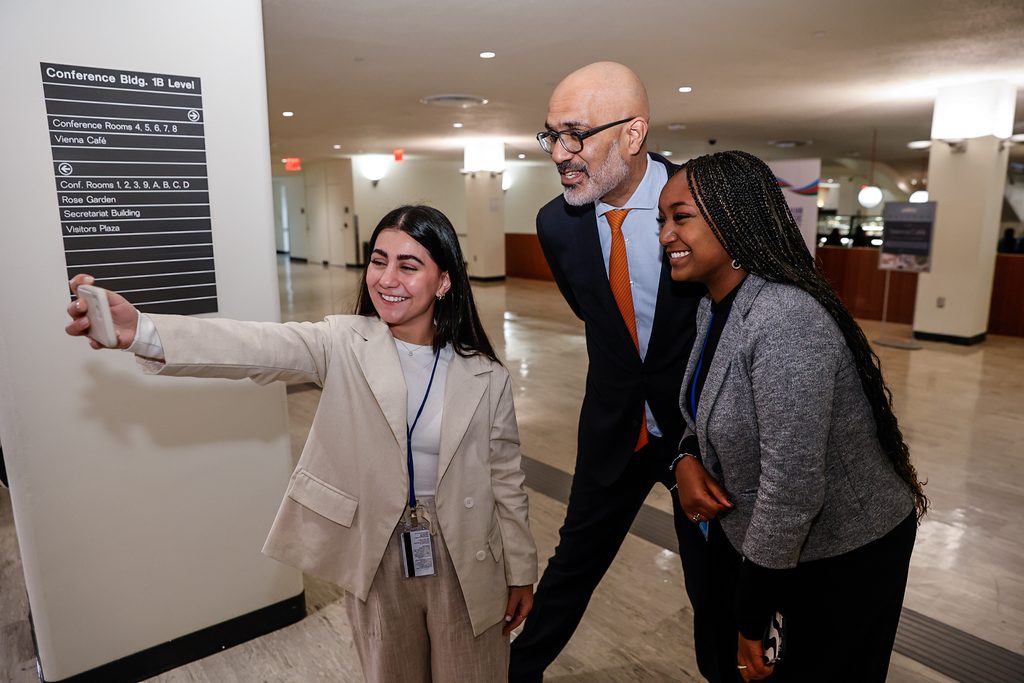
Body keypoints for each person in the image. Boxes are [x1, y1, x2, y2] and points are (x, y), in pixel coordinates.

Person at [65, 205, 538, 683]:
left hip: (468, 551)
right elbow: (250, 345)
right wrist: (141, 331)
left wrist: (520, 569)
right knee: (391, 672)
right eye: (378, 260)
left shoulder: (485, 374)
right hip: (376, 546)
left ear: (444, 281)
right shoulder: (343, 342)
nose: (386, 278)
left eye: (408, 265)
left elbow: (505, 477)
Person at [660, 151, 927, 682]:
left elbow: (792, 487)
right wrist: (685, 458)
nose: (666, 234)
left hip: (845, 552)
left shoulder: (785, 320)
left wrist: (751, 614)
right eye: (661, 220)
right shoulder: (715, 303)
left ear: (733, 218)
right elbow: (704, 412)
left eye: (681, 217)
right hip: (778, 543)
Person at [509, 62, 720, 682]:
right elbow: (601, 322)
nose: (560, 154)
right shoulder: (556, 223)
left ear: (633, 135)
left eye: (576, 133)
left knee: (712, 580)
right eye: (551, 136)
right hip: (614, 429)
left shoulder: (703, 205)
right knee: (573, 563)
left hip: (702, 437)